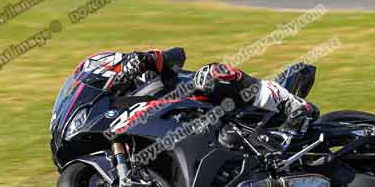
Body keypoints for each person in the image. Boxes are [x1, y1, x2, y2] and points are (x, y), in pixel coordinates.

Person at [77, 47, 319, 134]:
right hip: (191, 129)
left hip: (209, 100)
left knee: (209, 76)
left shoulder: (140, 70)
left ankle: (292, 105)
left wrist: (147, 59)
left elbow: (176, 54)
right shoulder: (117, 111)